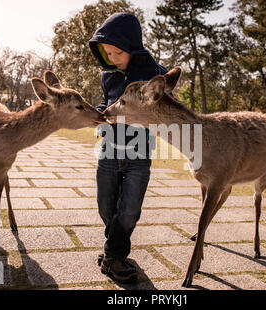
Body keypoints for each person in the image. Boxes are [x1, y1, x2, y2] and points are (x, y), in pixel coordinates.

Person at [89, 12, 168, 283]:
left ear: (132, 46)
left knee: (131, 208)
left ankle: (113, 256)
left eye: (117, 52)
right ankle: (116, 249)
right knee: (105, 205)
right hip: (109, 149)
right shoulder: (108, 76)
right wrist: (97, 114)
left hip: (138, 152)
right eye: (108, 53)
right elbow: (105, 102)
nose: (112, 58)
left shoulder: (155, 72)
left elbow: (164, 105)